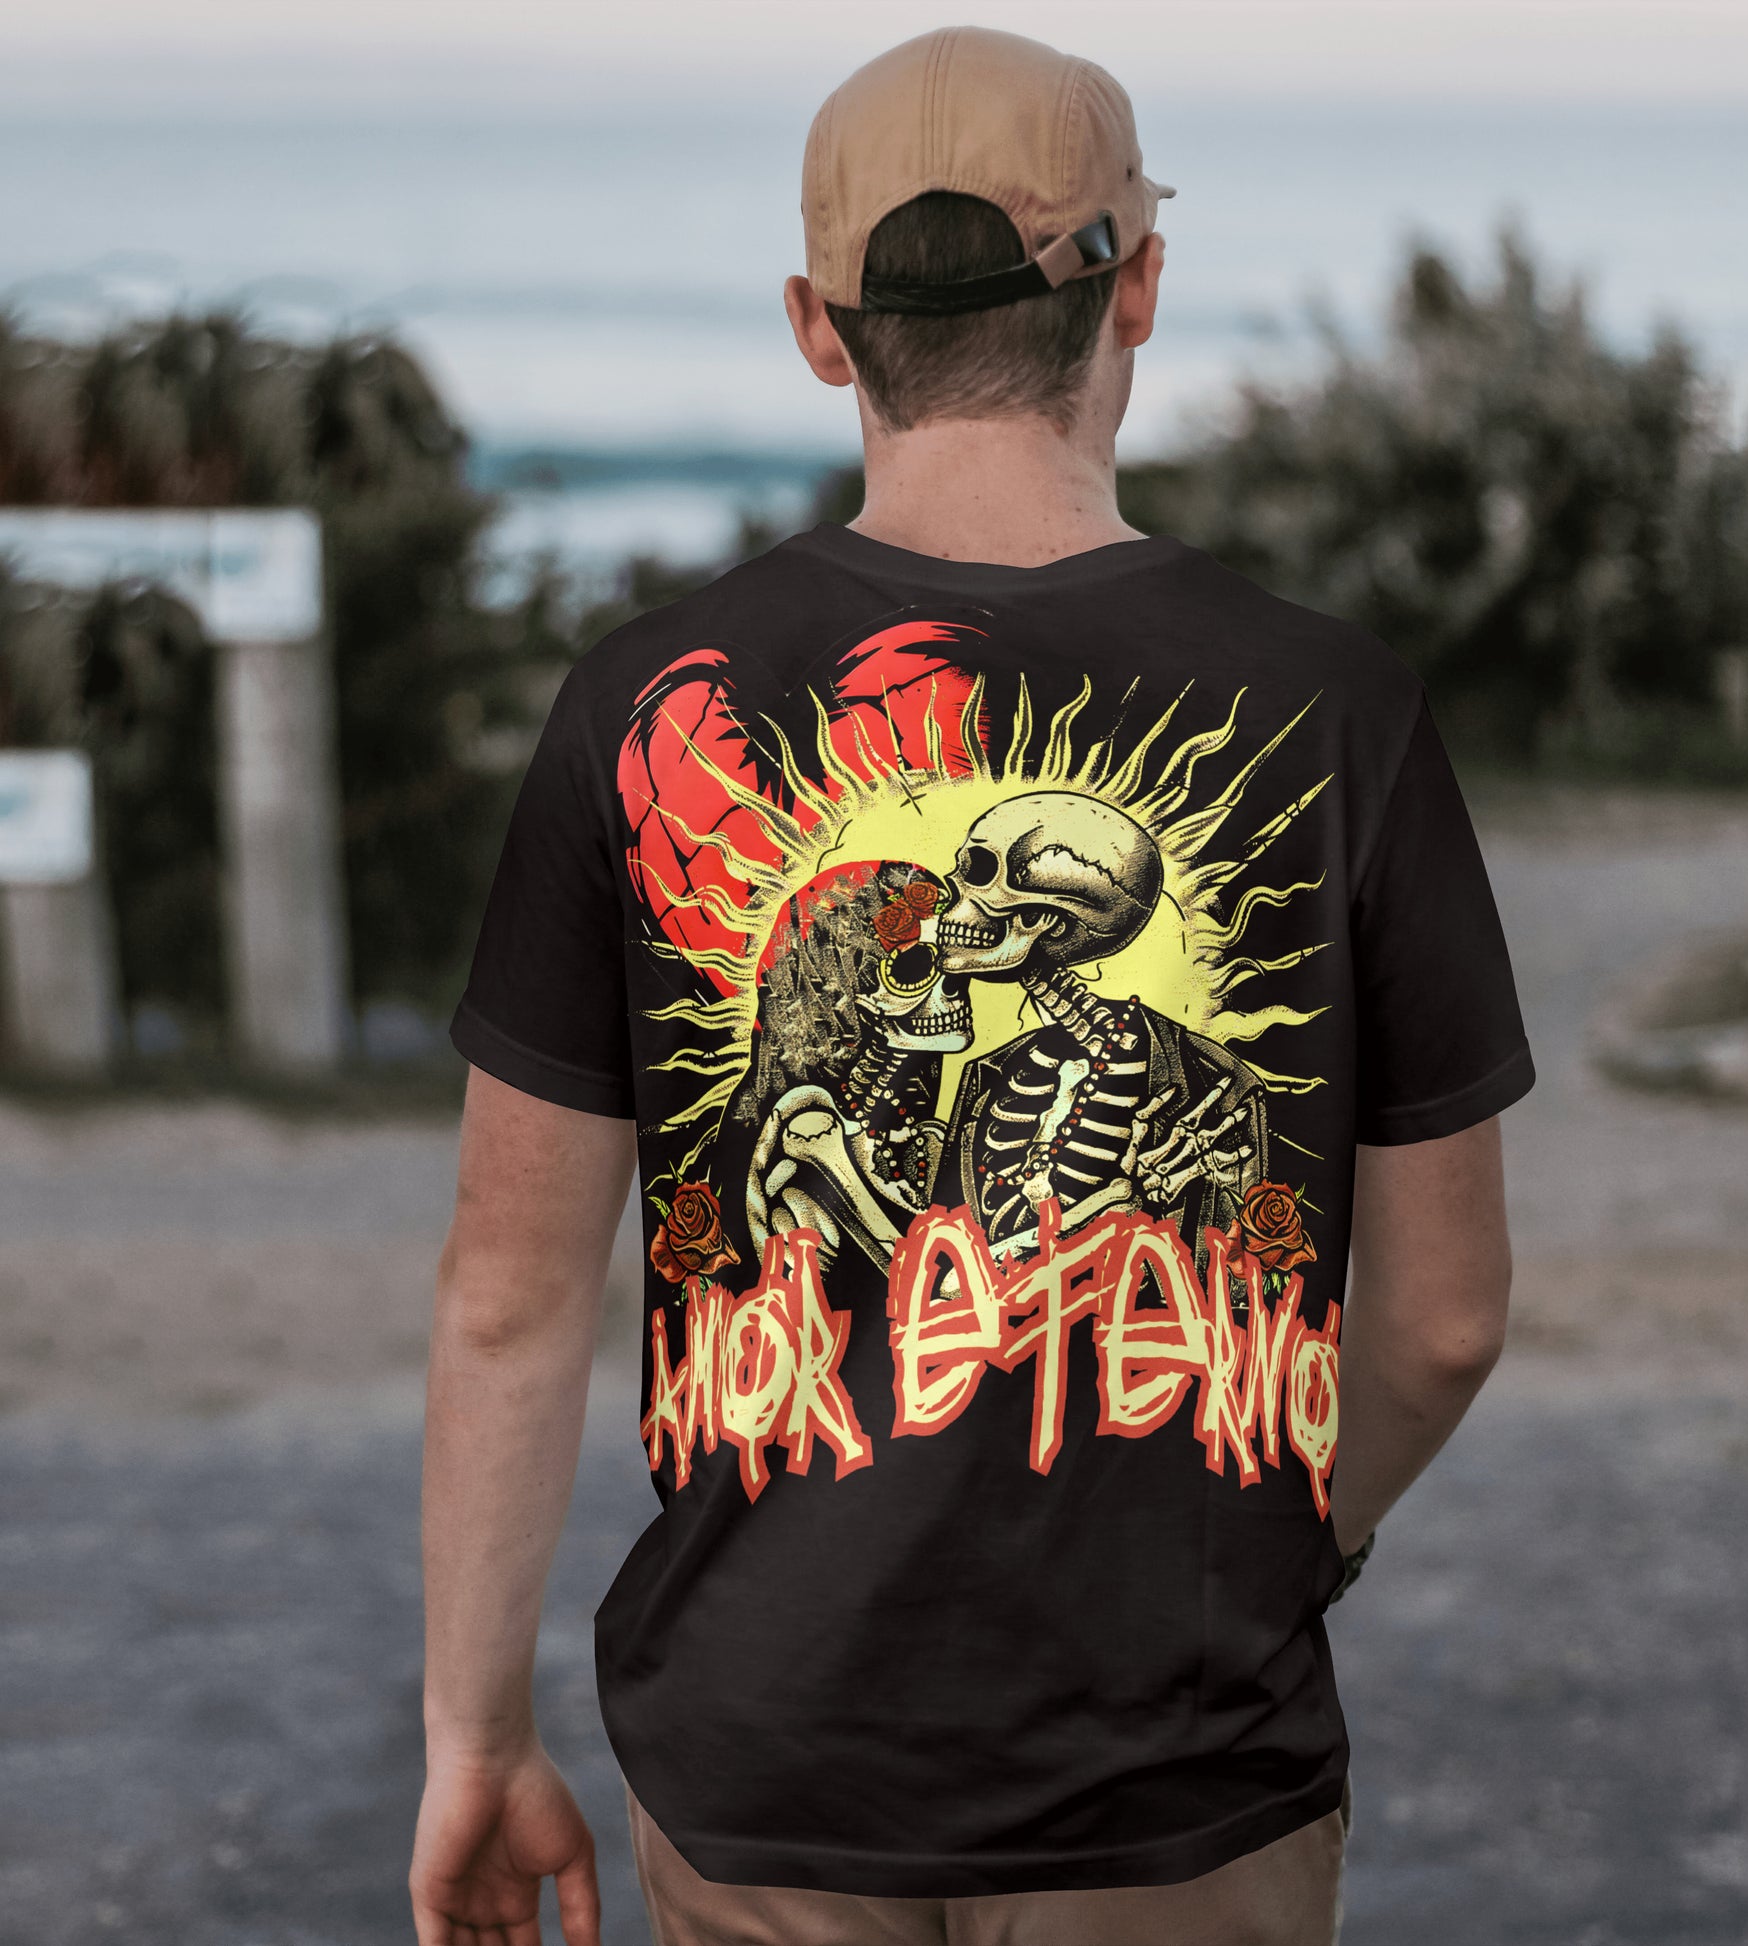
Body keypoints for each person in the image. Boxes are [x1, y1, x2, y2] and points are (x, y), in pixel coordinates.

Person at [410, 26, 1531, 1946]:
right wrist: (1295, 1536)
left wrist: (475, 1734)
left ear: (818, 327)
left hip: (765, 1764)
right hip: (1174, 1776)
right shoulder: (1334, 709)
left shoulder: (631, 704)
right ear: (1138, 287)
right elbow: (1439, 1321)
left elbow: (507, 1301)